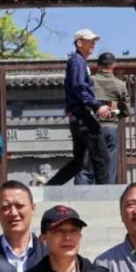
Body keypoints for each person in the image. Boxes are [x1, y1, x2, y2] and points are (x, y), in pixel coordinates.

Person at [47, 29, 113, 186]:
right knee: (102, 158)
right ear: (79, 42)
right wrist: (97, 106)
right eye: (90, 41)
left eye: (94, 41)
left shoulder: (78, 61)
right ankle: (105, 194)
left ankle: (49, 188)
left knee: (79, 162)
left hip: (77, 116)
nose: (93, 44)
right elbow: (79, 87)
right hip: (83, 114)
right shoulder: (77, 61)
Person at [76, 52, 130, 185]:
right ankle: (107, 193)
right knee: (108, 167)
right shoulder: (120, 85)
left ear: (97, 65)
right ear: (113, 66)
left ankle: (81, 194)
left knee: (85, 166)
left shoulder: (88, 82)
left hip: (91, 128)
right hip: (110, 129)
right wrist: (113, 111)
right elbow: (126, 111)